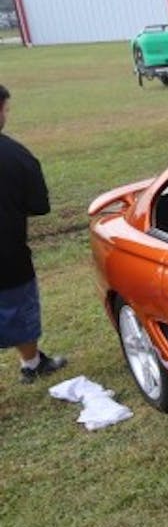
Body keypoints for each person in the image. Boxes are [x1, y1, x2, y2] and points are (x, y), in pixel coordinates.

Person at [0, 84, 67, 383]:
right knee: (18, 306)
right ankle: (31, 363)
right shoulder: (17, 156)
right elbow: (38, 205)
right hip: (8, 254)